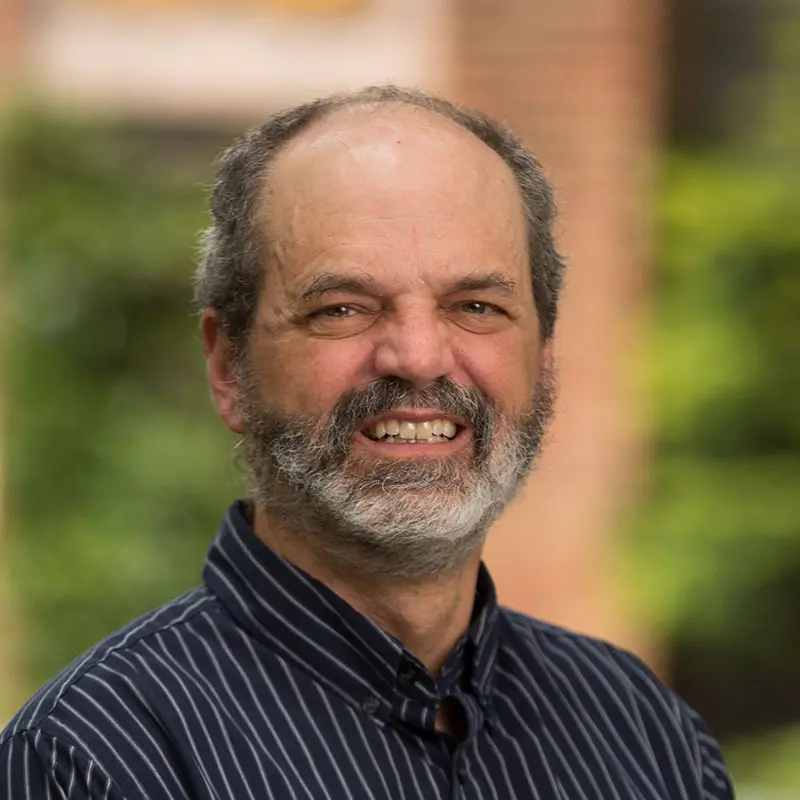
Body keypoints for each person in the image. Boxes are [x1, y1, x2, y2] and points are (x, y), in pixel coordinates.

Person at [0, 85, 734, 799]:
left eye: (476, 306)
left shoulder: (647, 737)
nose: (418, 356)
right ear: (228, 366)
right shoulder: (94, 761)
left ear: (543, 356)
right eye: (342, 308)